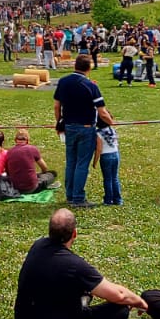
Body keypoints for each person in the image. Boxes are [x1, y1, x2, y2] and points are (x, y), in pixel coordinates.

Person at [13, 208, 148, 319]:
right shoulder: (75, 266)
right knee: (121, 310)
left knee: (85, 289)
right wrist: (140, 302)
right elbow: (119, 295)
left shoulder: (38, 245)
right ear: (74, 233)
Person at [52, 55, 112, 207]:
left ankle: (70, 195)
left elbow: (56, 106)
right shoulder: (91, 86)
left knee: (71, 161)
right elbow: (103, 112)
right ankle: (78, 198)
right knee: (82, 163)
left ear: (75, 65)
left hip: (69, 127)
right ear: (89, 68)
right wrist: (112, 123)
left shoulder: (63, 82)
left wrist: (59, 121)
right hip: (86, 128)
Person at [93, 114, 123, 206]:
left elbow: (99, 149)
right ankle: (118, 200)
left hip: (106, 156)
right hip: (115, 154)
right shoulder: (112, 130)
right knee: (115, 178)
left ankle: (108, 200)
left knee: (107, 179)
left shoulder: (98, 133)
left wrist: (95, 161)